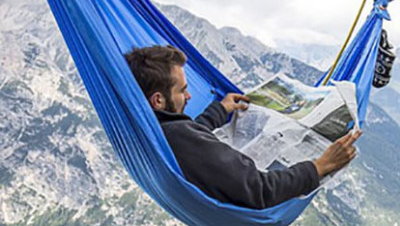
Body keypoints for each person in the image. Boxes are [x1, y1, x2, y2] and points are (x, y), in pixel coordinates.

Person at [124, 45, 361, 210]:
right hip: (242, 200)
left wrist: (220, 110)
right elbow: (260, 189)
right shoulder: (180, 138)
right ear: (157, 100)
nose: (188, 96)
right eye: (181, 90)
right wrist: (320, 166)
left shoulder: (151, 127)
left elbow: (190, 137)